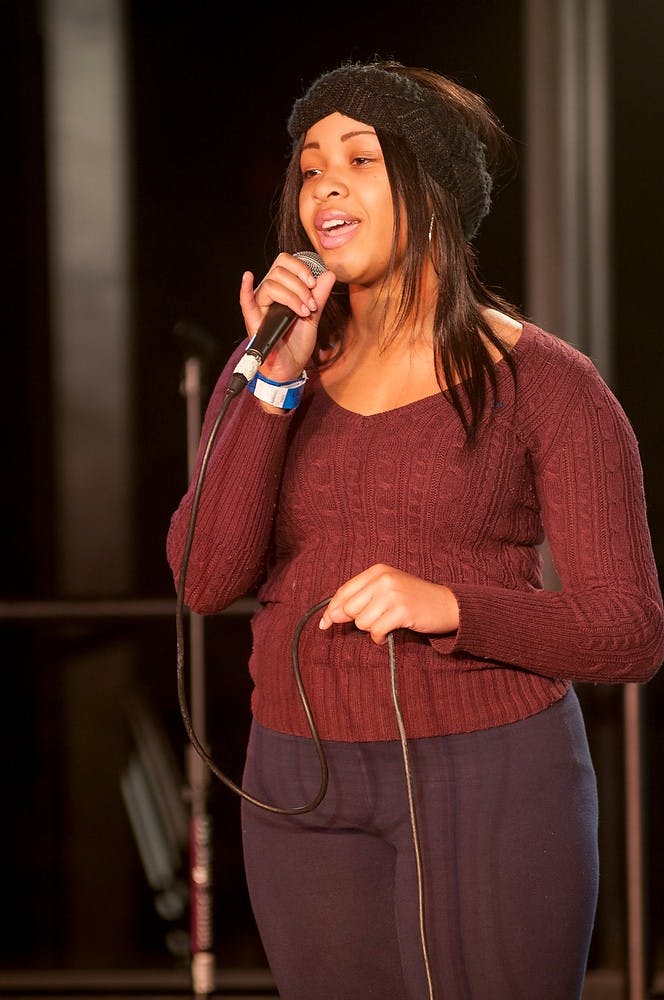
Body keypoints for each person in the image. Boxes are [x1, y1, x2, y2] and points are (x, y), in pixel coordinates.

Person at [166, 59, 664, 1000]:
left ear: (430, 191)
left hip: (488, 776)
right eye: (310, 167)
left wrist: (450, 607)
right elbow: (204, 576)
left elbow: (628, 629)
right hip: (298, 780)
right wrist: (271, 378)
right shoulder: (272, 361)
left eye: (359, 159)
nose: (324, 188)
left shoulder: (547, 383)